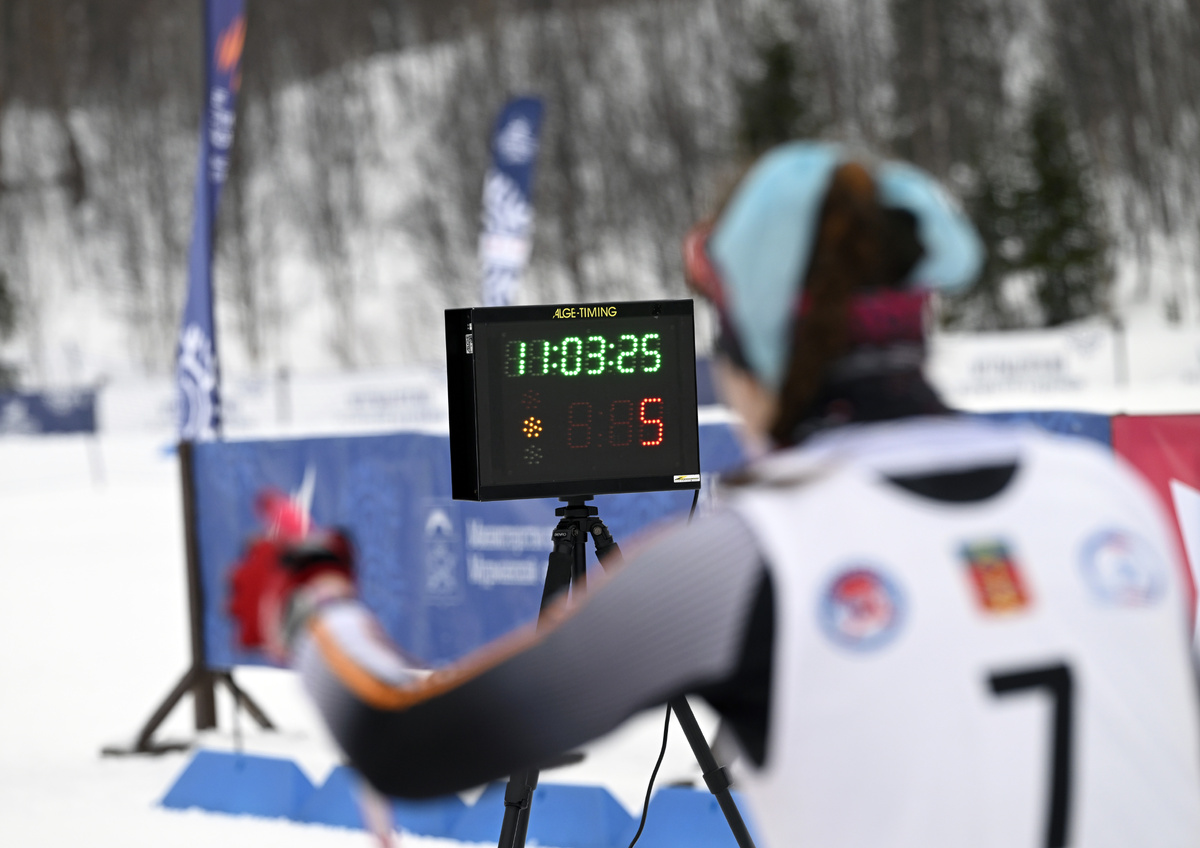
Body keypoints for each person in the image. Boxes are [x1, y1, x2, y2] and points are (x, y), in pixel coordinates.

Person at [229, 142, 1200, 847]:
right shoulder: (1110, 498)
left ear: (751, 343)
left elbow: (403, 740)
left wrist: (311, 598)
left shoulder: (747, 556)